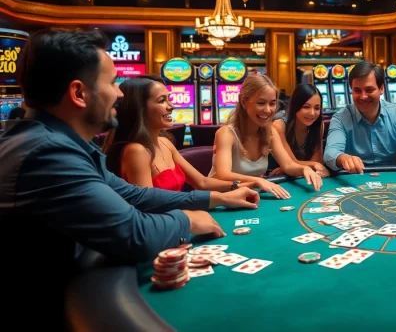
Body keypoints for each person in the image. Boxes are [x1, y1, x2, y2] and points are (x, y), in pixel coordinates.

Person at [0, 29, 259, 329]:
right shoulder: (48, 154)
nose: (121, 94)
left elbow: (134, 195)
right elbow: (135, 234)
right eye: (112, 83)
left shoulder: (57, 141)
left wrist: (215, 198)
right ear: (78, 93)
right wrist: (188, 221)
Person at [102, 76, 260, 192]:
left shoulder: (165, 142)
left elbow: (202, 183)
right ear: (139, 108)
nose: (171, 106)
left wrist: (248, 184)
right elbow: (149, 206)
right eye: (161, 100)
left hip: (177, 214)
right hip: (162, 226)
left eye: (169, 99)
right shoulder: (136, 151)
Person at [210, 74, 323, 197]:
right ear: (243, 102)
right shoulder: (226, 133)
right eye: (261, 103)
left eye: (272, 103)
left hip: (250, 196)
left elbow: (288, 165)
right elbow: (223, 175)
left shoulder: (270, 132)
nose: (268, 110)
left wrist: (303, 169)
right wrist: (258, 180)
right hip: (220, 198)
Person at [323, 61, 396, 181]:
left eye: (369, 90)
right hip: (356, 178)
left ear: (381, 88)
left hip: (393, 178)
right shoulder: (340, 117)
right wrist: (342, 158)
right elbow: (330, 153)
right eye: (357, 90)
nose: (363, 96)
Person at [269, 83, 330, 178]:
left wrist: (313, 165)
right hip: (277, 179)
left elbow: (317, 161)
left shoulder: (319, 125)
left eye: (317, 108)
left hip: (302, 177)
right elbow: (291, 163)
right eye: (306, 107)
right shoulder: (279, 126)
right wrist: (313, 165)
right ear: (295, 106)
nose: (312, 113)